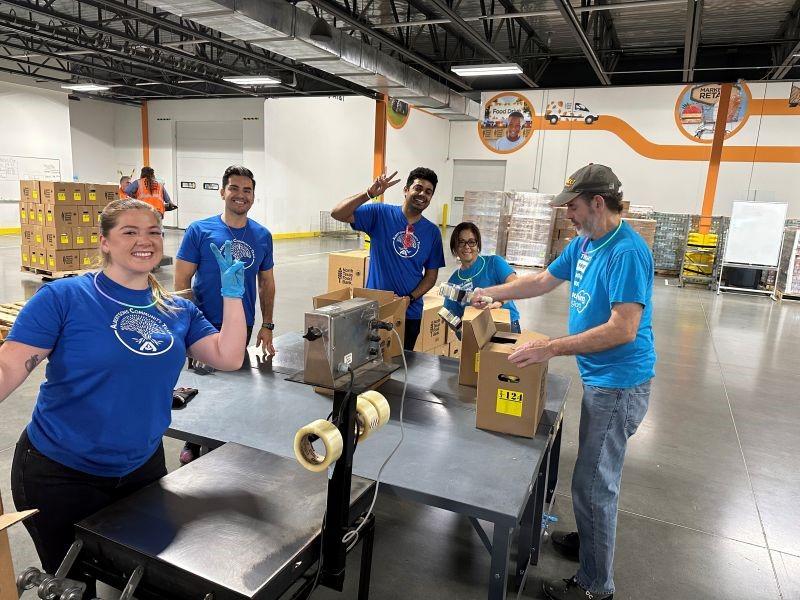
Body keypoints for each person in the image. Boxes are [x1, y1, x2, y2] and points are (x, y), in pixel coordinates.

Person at [5, 198, 246, 594]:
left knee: (142, 576)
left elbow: (228, 355)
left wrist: (233, 294)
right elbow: (9, 368)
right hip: (60, 472)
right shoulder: (64, 298)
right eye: (129, 232)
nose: (144, 241)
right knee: (72, 584)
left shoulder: (176, 310)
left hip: (140, 468)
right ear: (104, 241)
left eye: (153, 232)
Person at [471, 164, 656, 600]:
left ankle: (595, 586)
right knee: (591, 478)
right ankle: (591, 545)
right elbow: (540, 280)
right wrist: (492, 293)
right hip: (601, 379)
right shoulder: (585, 244)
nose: (566, 215)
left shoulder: (625, 252)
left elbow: (623, 328)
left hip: (620, 384)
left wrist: (551, 347)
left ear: (597, 202)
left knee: (593, 483)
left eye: (571, 206)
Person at [174, 165, 276, 464]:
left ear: (253, 196)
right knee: (200, 384)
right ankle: (193, 441)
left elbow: (266, 282)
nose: (240, 195)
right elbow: (182, 281)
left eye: (247, 190)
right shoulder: (199, 230)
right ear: (222, 192)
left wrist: (267, 324)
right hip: (203, 322)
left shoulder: (261, 235)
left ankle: (224, 437)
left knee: (233, 382)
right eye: (234, 188)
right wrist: (187, 323)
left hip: (241, 323)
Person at [331, 167, 445, 350]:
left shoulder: (432, 233)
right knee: (367, 365)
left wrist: (410, 298)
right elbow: (337, 213)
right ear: (406, 190)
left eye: (428, 192)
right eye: (418, 188)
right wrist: (368, 194)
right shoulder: (380, 214)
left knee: (401, 366)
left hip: (409, 313)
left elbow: (431, 276)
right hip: (374, 307)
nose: (422, 194)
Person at [447, 222, 521, 333]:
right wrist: (461, 332)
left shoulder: (494, 263)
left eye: (471, 242)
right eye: (461, 242)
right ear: (455, 247)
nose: (467, 246)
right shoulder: (454, 281)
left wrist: (499, 301)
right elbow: (449, 315)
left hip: (505, 325)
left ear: (478, 245)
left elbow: (517, 286)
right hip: (477, 332)